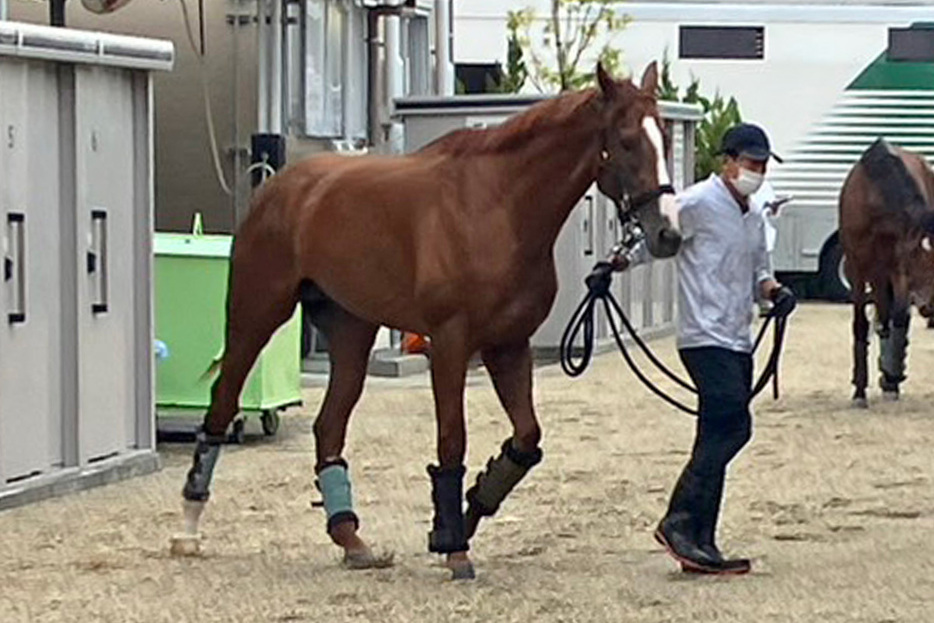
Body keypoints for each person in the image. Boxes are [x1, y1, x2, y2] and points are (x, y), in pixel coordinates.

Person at [612, 122, 797, 574]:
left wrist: (775, 292)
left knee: (714, 432)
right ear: (728, 162)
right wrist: (615, 263)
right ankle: (678, 520)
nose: (757, 170)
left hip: (737, 336)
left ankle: (700, 540)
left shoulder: (754, 213)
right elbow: (656, 238)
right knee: (735, 425)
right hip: (702, 335)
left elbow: (759, 272)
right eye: (751, 162)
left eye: (762, 164)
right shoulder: (696, 202)